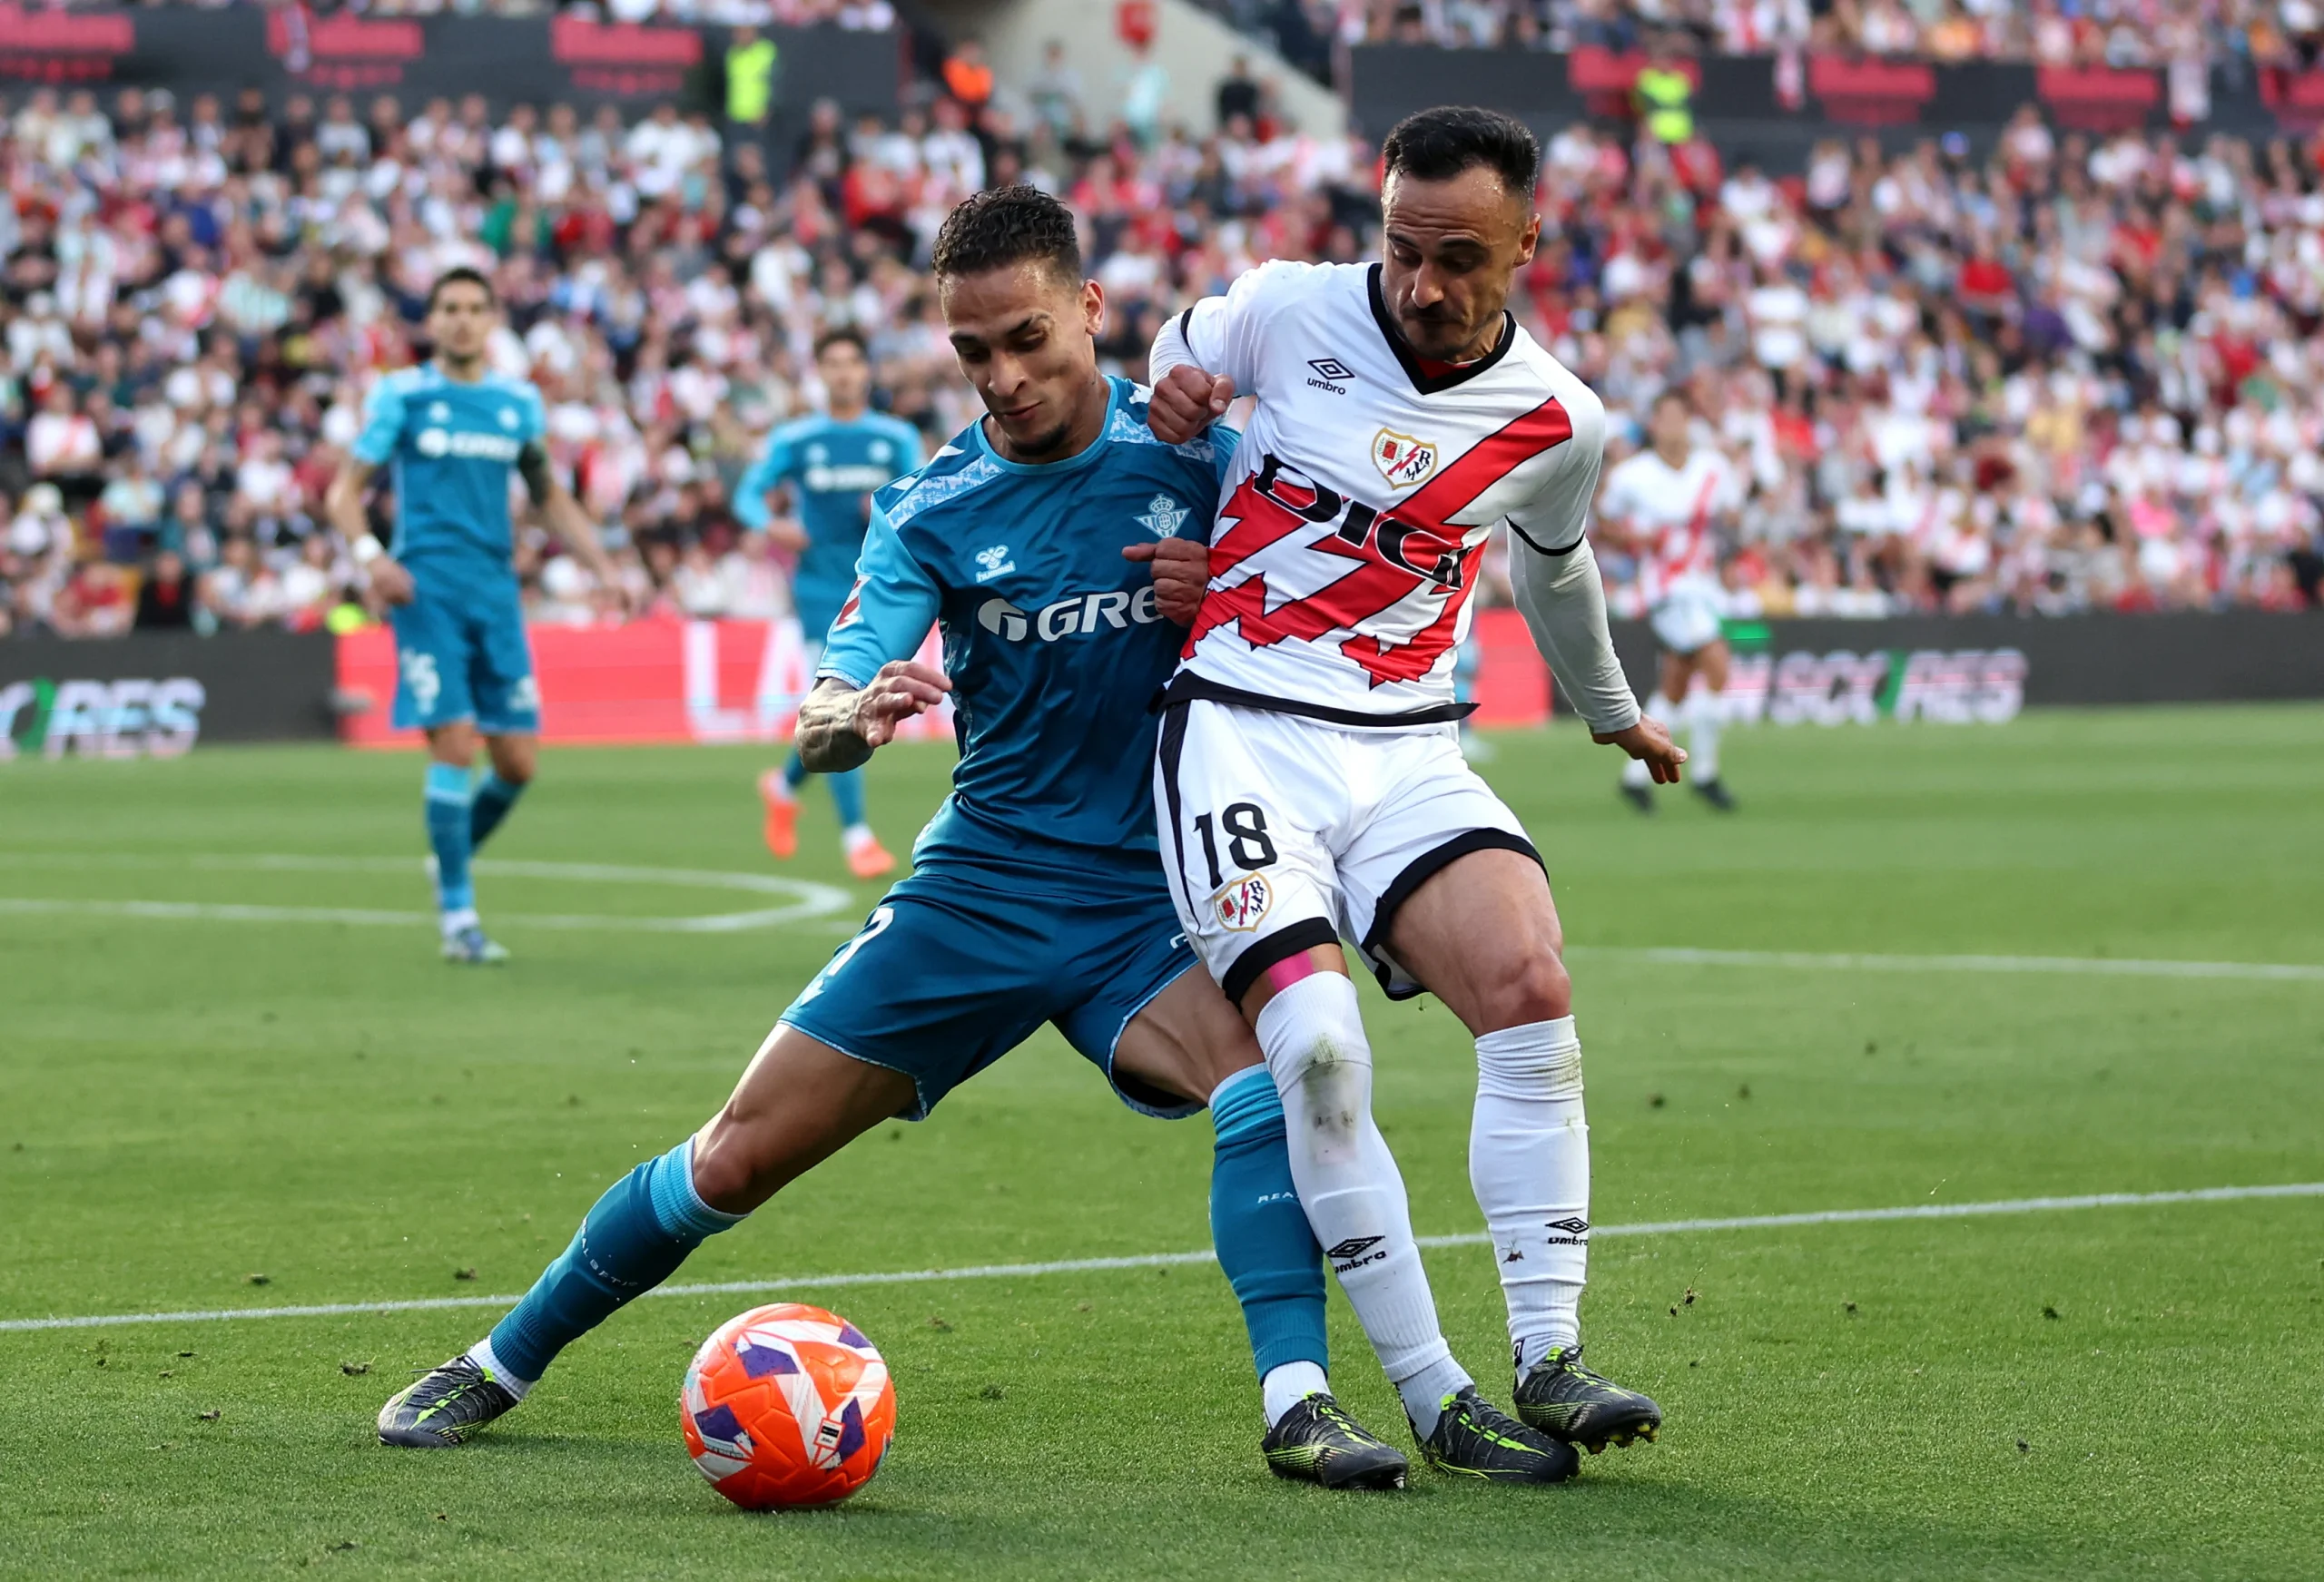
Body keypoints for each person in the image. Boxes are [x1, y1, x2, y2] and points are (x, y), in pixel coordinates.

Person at [378, 188, 1412, 1492]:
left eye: (1029, 338)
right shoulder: (934, 503)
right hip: (976, 890)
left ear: (1090, 310)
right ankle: (502, 1357)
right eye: (973, 351)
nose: (1006, 375)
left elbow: (1330, 627)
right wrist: (845, 719)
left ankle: (1298, 1400)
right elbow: (833, 690)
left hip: (1150, 901)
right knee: (734, 1153)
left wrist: (1230, 593)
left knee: (1270, 1075)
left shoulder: (1204, 454)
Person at [1142, 105, 1681, 1482]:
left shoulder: (1562, 419)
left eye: (1459, 258)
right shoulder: (1284, 308)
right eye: (1402, 247)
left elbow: (1555, 572)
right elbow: (1174, 357)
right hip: (1244, 732)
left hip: (1407, 748)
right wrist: (1178, 389)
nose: (1423, 285)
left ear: (1528, 244)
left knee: (1532, 984)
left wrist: (1613, 713)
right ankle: (1436, 1390)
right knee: (1320, 1047)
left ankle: (1548, 1357)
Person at [324, 267, 624, 964]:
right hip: (424, 592)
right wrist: (372, 557)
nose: (461, 320)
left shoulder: (517, 403)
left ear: (492, 321)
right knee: (454, 743)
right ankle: (459, 915)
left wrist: (605, 566)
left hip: (496, 595)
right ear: (431, 321)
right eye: (448, 308)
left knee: (517, 762)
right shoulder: (404, 394)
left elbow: (548, 496)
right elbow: (344, 492)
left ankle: (448, 854)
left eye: (473, 309)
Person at [734, 329, 921, 879]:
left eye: (851, 363)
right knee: (846, 696)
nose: (843, 373)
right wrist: (774, 526)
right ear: (820, 372)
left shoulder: (893, 438)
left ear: (866, 372)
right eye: (832, 364)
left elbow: (922, 491)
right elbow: (746, 494)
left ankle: (782, 784)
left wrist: (890, 504)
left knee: (843, 703)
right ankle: (857, 834)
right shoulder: (796, 439)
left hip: (877, 589)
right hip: (818, 588)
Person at [1596, 388, 1744, 811]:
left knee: (1676, 685)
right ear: (1655, 425)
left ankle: (1633, 780)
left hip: (1703, 585)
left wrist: (1726, 544)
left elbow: (1732, 519)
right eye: (1667, 418)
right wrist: (1633, 537)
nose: (1675, 426)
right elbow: (1603, 524)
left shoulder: (1712, 470)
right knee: (1717, 664)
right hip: (1663, 587)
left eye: (1682, 417)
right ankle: (1706, 773)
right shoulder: (1633, 476)